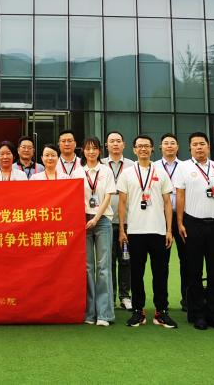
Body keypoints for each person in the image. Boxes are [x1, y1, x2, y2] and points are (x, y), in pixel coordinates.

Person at [117, 134, 177, 328]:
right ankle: (138, 311)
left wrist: (169, 230)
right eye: (139, 146)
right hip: (135, 231)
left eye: (146, 146)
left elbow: (167, 203)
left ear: (152, 149)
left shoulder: (161, 172)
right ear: (134, 149)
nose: (143, 149)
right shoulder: (127, 173)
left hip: (159, 231)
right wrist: (122, 229)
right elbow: (122, 203)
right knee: (136, 273)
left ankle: (161, 311)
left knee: (161, 273)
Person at [175, 131, 214, 330]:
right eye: (195, 144)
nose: (199, 147)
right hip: (193, 224)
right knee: (194, 271)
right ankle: (197, 314)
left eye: (202, 144)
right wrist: (180, 222)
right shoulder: (183, 167)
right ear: (189, 147)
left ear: (208, 146)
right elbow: (180, 196)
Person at [80, 137, 117, 326]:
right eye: (88, 149)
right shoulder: (79, 172)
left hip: (102, 220)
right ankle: (89, 313)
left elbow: (108, 197)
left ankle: (104, 314)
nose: (91, 152)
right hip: (83, 221)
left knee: (103, 267)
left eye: (94, 148)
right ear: (83, 151)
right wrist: (86, 218)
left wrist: (95, 219)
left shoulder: (106, 171)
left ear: (99, 151)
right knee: (87, 267)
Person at [102, 130, 134, 310]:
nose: (115, 144)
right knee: (107, 261)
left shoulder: (132, 165)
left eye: (118, 141)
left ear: (124, 145)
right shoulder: (100, 165)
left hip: (127, 221)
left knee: (125, 259)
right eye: (112, 141)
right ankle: (110, 296)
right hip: (105, 220)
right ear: (106, 145)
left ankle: (125, 296)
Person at [156, 133, 188, 311]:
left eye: (172, 143)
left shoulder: (186, 167)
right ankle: (162, 303)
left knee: (187, 260)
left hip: (183, 217)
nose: (169, 146)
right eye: (166, 143)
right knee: (162, 261)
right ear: (160, 147)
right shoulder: (153, 167)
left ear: (177, 147)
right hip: (160, 217)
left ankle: (187, 300)